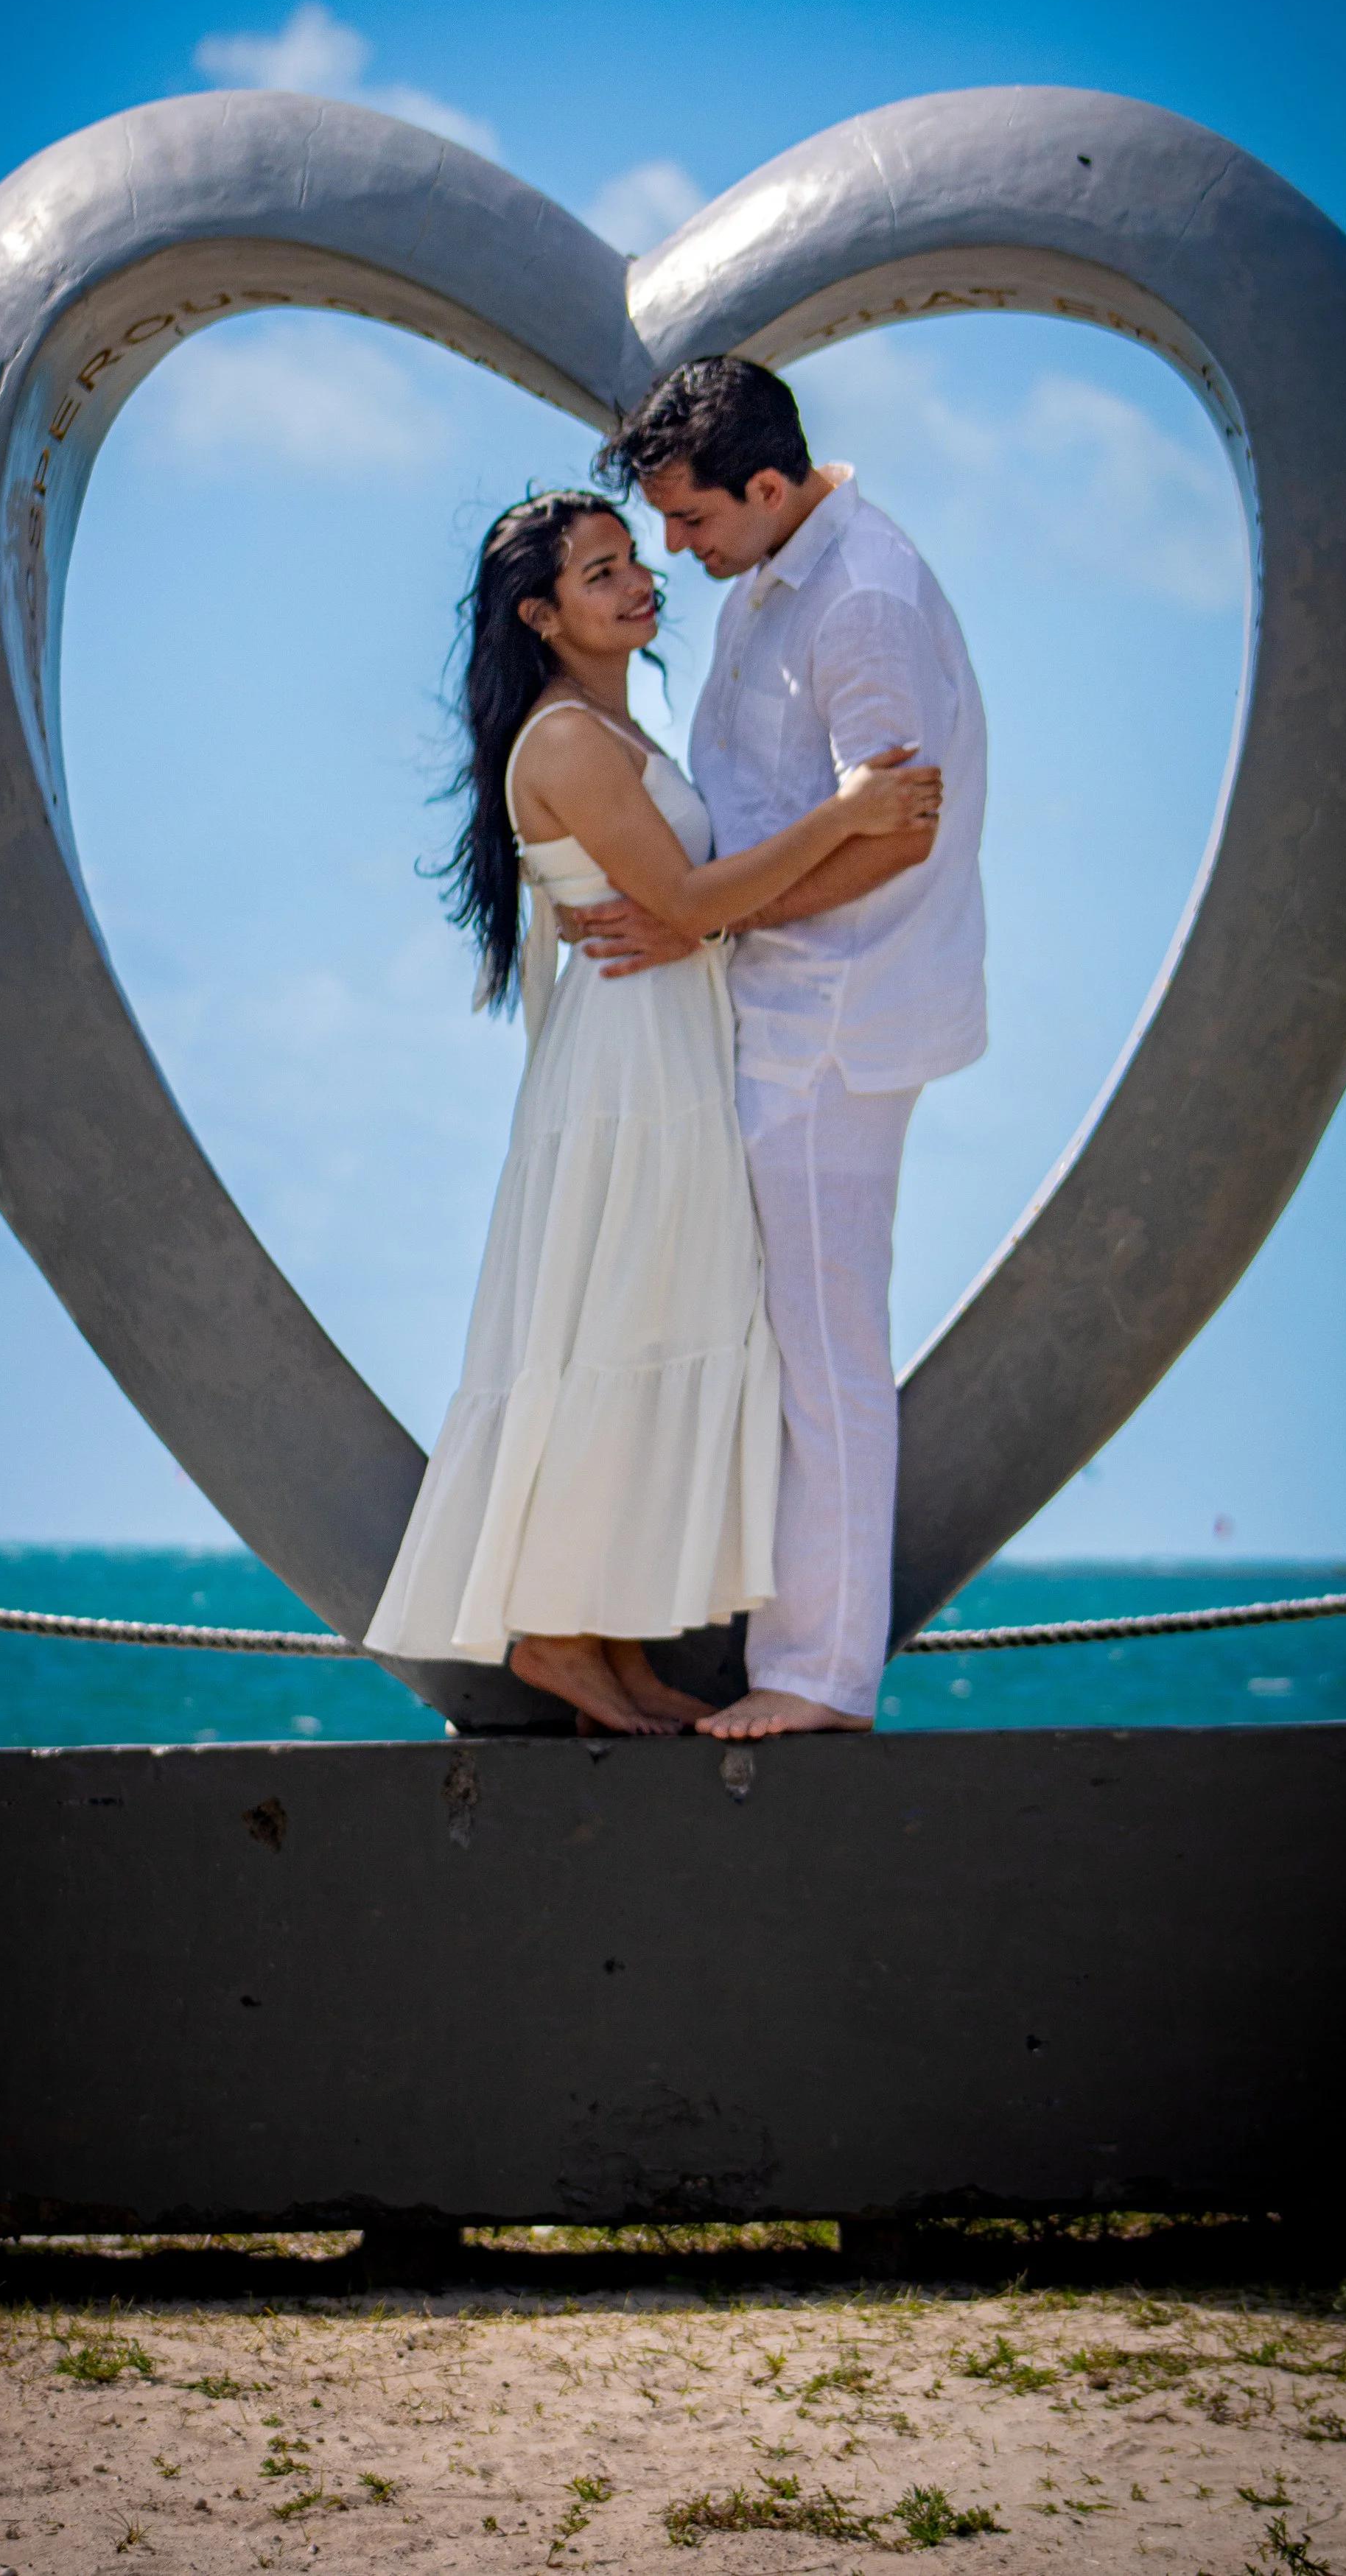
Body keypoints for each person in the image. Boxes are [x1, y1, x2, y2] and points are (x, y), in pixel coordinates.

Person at [362, 488, 942, 1736]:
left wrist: (697, 912)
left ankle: (607, 1643)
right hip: (628, 1072)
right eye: (603, 572)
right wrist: (843, 819)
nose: (641, 583)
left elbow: (685, 906)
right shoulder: (565, 739)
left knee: (657, 1318)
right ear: (541, 614)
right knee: (616, 1324)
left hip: (669, 1051)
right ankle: (560, 1638)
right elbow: (684, 894)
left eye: (634, 561)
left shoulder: (617, 730)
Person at [582, 359, 988, 1740]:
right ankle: (762, 1643)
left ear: (766, 488)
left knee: (826, 1358)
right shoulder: (778, 570)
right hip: (775, 1005)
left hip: (835, 1019)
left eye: (690, 522)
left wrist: (701, 921)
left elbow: (898, 827)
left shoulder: (861, 596)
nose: (674, 553)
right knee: (780, 1350)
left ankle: (819, 1677)